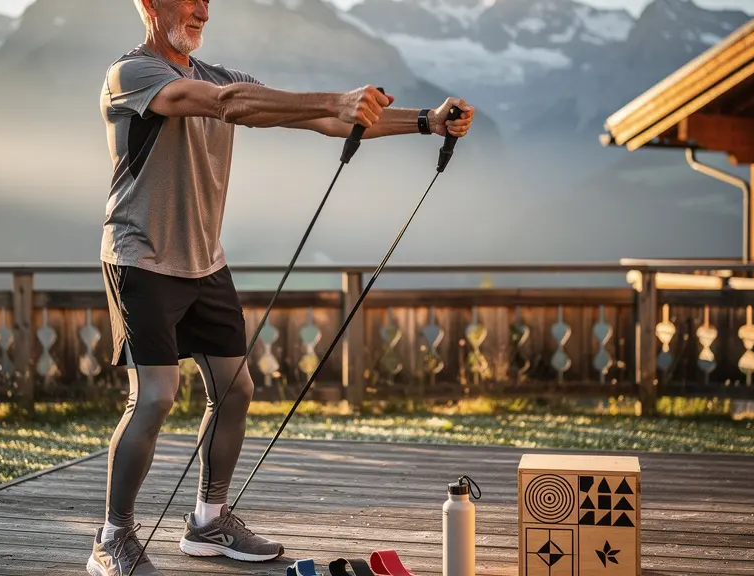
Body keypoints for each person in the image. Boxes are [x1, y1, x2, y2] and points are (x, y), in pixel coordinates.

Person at [87, 0, 476, 574]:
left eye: (207, 1)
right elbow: (227, 106)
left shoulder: (223, 77)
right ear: (149, 3)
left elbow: (323, 120)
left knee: (236, 389)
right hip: (140, 258)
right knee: (156, 396)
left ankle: (208, 521)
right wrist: (334, 99)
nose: (201, 10)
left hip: (204, 262)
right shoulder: (133, 74)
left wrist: (427, 121)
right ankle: (112, 538)